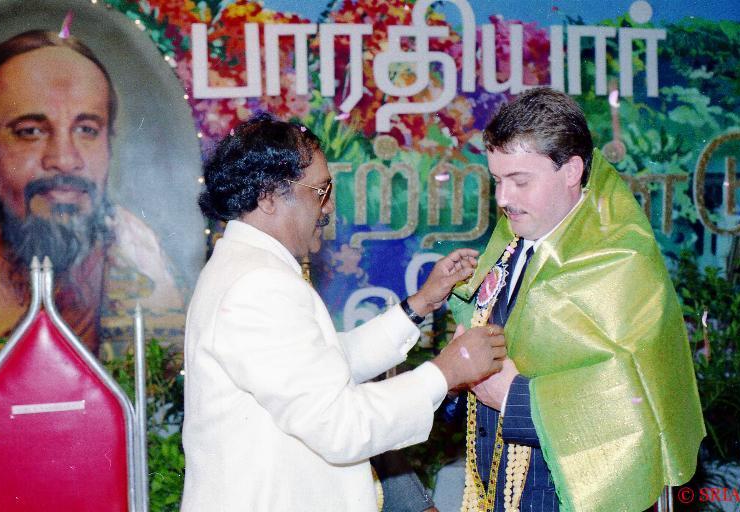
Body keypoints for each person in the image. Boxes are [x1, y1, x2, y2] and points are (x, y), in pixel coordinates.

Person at [182, 114, 507, 511]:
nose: (329, 207)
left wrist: (420, 304)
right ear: (267, 196)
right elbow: (340, 425)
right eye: (321, 191)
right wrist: (446, 372)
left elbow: (326, 363)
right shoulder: (258, 284)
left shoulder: (246, 267)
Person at [447, 88, 706, 511]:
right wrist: (456, 373)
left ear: (571, 171)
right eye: (497, 180)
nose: (503, 198)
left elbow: (636, 404)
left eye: (520, 181)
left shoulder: (620, 261)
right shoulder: (509, 243)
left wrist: (514, 398)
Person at [0, 30, 185, 354]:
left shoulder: (142, 260)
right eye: (30, 131)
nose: (65, 160)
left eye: (86, 130)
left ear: (109, 145)